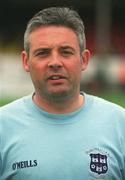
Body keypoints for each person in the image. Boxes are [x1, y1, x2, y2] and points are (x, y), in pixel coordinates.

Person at [0, 7, 125, 180]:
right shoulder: (3, 126)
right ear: (26, 61)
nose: (55, 62)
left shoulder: (119, 124)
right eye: (43, 53)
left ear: (84, 60)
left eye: (66, 52)